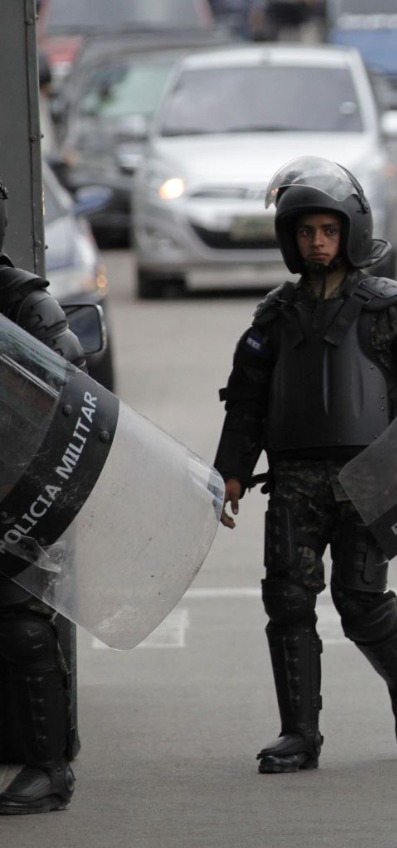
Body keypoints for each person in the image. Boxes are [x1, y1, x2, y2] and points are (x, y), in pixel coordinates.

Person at [213, 157, 397, 775]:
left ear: (352, 233)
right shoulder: (273, 317)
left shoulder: (391, 309)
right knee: (287, 600)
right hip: (294, 481)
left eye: (328, 231)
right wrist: (231, 470)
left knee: (360, 598)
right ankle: (299, 734)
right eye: (306, 231)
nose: (317, 242)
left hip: (370, 480)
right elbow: (248, 399)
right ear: (291, 237)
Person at [0, 179, 85, 814]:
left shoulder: (23, 302)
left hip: (14, 486)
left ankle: (49, 767)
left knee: (24, 624)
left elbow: (69, 383)